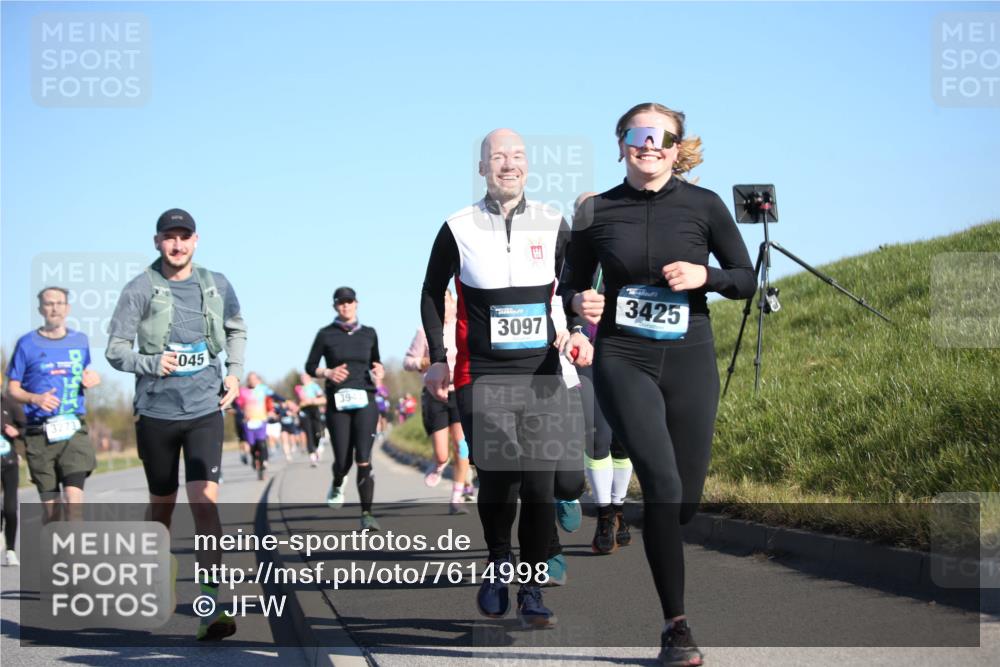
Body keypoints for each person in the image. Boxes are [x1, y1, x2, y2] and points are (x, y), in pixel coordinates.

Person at [559, 103, 755, 666]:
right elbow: (570, 285)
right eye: (639, 134)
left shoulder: (705, 205)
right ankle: (677, 627)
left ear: (676, 147)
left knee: (683, 502)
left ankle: (661, 526)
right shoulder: (596, 211)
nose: (650, 144)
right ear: (622, 142)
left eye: (662, 137)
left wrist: (705, 276)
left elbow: (746, 278)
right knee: (664, 487)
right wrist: (578, 307)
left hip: (690, 356)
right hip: (624, 357)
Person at [421, 128, 592, 628]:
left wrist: (575, 328)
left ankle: (532, 589)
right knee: (500, 479)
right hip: (483, 376)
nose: (508, 163)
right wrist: (438, 358)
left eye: (517, 155)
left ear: (528, 165)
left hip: (542, 376)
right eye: (498, 156)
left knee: (540, 487)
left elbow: (573, 285)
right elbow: (430, 292)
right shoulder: (457, 227)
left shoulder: (552, 222)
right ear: (482, 168)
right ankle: (499, 562)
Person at [106, 208, 246, 641]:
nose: (178, 244)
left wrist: (234, 373)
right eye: (170, 237)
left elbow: (236, 329)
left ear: (196, 241)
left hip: (205, 409)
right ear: (157, 242)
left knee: (204, 503)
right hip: (156, 413)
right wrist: (151, 362)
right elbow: (115, 349)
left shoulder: (217, 284)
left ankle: (210, 607)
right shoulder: (138, 289)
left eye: (185, 236)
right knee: (162, 508)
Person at [6, 287, 100, 523]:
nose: (54, 308)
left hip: (73, 429)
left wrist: (92, 378)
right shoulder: (26, 344)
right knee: (52, 513)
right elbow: (12, 389)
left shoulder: (80, 340)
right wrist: (35, 398)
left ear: (67, 308)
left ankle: (75, 547)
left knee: (73, 502)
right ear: (40, 309)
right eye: (49, 303)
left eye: (59, 303)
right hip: (40, 434)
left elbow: (85, 373)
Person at [305, 287, 385, 530]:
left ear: (356, 303)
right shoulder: (325, 334)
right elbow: (310, 366)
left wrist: (379, 371)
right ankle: (338, 480)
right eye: (341, 302)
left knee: (363, 458)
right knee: (342, 460)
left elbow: (376, 362)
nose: (346, 305)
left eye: (349, 301)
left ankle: (367, 514)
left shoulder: (369, 333)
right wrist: (327, 372)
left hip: (365, 399)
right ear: (335, 306)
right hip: (338, 402)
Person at [403, 289, 471, 514]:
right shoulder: (424, 331)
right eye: (439, 301)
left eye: (447, 300)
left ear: (454, 303)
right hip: (435, 395)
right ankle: (440, 463)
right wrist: (422, 362)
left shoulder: (464, 326)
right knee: (442, 453)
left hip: (460, 391)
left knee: (462, 447)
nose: (444, 305)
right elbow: (407, 361)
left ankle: (457, 497)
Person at [236, 373, 280, 481]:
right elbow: (237, 405)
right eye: (250, 379)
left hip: (261, 420)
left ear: (258, 380)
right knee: (252, 445)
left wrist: (285, 401)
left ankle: (263, 464)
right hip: (248, 422)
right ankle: (254, 459)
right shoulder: (243, 391)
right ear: (248, 381)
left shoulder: (263, 388)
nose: (252, 381)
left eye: (254, 379)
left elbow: (275, 395)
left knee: (261, 443)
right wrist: (242, 415)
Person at [1, 393, 22, 566]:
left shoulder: (10, 404)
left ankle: (11, 551)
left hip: (9, 464)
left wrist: (17, 432)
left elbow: (27, 428)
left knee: (10, 508)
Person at [295, 372, 327, 466]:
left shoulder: (314, 386)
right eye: (302, 377)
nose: (303, 379)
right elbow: (298, 401)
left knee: (317, 431)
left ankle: (317, 447)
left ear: (309, 378)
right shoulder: (299, 388)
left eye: (305, 377)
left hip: (314, 409)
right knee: (308, 433)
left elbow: (321, 398)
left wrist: (313, 401)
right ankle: (312, 456)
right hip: (304, 411)